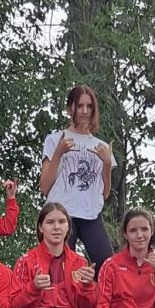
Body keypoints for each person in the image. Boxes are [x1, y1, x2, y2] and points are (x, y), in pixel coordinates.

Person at [40, 85, 116, 270]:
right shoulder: (54, 139)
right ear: (69, 108)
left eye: (89, 106)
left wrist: (106, 163)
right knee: (60, 268)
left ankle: (97, 298)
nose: (84, 111)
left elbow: (104, 193)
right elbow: (44, 186)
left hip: (91, 213)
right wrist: (58, 152)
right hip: (62, 212)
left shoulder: (101, 146)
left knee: (107, 265)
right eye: (79, 105)